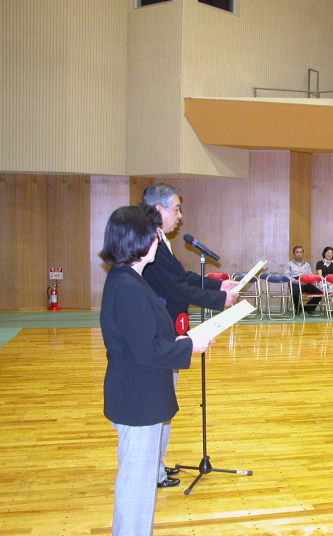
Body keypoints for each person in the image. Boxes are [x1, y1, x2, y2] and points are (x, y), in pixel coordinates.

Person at [100, 205, 214, 536]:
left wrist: (178, 339)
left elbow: (143, 337)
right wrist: (189, 345)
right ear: (139, 240)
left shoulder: (128, 279)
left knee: (138, 482)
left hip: (138, 394)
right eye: (155, 235)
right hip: (138, 398)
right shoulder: (128, 286)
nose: (159, 241)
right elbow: (147, 352)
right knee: (136, 487)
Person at [142, 183, 239, 488]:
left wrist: (217, 285)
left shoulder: (161, 240)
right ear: (158, 209)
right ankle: (153, 470)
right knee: (159, 403)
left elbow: (180, 278)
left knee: (165, 401)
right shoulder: (149, 242)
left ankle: (157, 465)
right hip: (161, 332)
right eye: (176, 209)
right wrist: (219, 299)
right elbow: (175, 289)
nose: (180, 216)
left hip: (170, 329)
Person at [286, 245, 322, 315]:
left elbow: (310, 275)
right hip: (295, 282)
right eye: (297, 252)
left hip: (305, 282)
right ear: (294, 253)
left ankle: (308, 308)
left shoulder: (307, 265)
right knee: (295, 292)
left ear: (303, 253)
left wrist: (310, 280)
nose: (299, 254)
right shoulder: (289, 264)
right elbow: (287, 276)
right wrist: (297, 281)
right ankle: (297, 309)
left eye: (300, 252)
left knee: (319, 293)